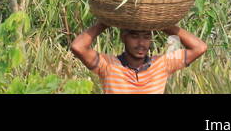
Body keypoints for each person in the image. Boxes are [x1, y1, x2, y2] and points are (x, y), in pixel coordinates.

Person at [71, 22, 207, 93]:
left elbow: (199, 48)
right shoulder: (108, 65)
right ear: (123, 38)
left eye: (147, 37)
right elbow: (78, 47)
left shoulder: (162, 64)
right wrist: (104, 23)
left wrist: (165, 25)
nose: (141, 44)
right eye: (134, 36)